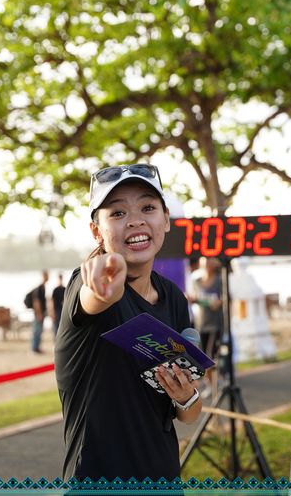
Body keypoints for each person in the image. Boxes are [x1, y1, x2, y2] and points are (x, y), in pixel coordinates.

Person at [54, 163, 203, 481]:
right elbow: (94, 297)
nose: (135, 220)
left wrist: (184, 395)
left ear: (166, 220)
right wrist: (102, 287)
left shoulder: (174, 298)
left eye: (147, 208)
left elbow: (188, 416)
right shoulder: (87, 285)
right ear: (97, 231)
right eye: (118, 213)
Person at [187, 256, 224, 397]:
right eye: (204, 258)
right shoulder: (196, 282)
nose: (207, 261)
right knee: (202, 358)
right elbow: (194, 297)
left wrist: (218, 302)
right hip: (200, 324)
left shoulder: (220, 281)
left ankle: (215, 385)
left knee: (210, 357)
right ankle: (213, 383)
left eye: (210, 259)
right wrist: (192, 299)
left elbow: (224, 300)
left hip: (215, 324)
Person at [29, 270, 48, 354]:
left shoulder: (43, 287)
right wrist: (39, 314)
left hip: (41, 313)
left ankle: (37, 348)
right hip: (38, 313)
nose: (47, 277)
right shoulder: (39, 288)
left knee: (39, 331)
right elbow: (36, 302)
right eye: (46, 275)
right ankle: (34, 348)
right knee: (37, 330)